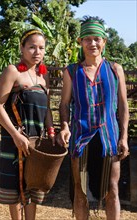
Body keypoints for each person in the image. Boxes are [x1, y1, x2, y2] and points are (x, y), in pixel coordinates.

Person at [57, 16, 129, 220]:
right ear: (80, 42)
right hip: (81, 138)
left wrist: (123, 137)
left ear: (104, 42)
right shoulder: (71, 71)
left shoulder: (115, 70)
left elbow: (123, 106)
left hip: (109, 138)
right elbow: (64, 104)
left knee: (112, 190)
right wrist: (64, 126)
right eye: (87, 39)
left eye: (97, 38)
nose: (92, 43)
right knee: (80, 193)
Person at [0, 29, 55, 220]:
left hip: (37, 141)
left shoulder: (43, 77)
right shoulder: (12, 71)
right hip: (15, 139)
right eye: (32, 47)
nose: (37, 52)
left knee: (33, 185)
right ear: (22, 48)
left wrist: (51, 132)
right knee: (16, 188)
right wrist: (15, 135)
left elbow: (47, 110)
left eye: (41, 48)